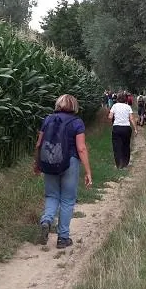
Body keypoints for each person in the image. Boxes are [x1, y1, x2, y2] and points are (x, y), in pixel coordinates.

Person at [34, 94, 92, 249]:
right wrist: (88, 171)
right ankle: (63, 238)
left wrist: (37, 163)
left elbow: (39, 144)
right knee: (67, 200)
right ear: (74, 106)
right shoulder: (77, 122)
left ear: (58, 105)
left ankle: (46, 220)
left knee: (52, 196)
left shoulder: (47, 120)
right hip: (70, 163)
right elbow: (81, 148)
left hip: (49, 161)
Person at [108, 92, 137, 168]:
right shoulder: (128, 107)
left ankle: (119, 164)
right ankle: (125, 163)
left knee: (117, 146)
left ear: (117, 99)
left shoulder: (114, 106)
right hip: (126, 128)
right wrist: (135, 128)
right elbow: (131, 118)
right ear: (125, 99)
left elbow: (110, 117)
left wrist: (112, 117)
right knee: (126, 145)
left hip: (117, 128)